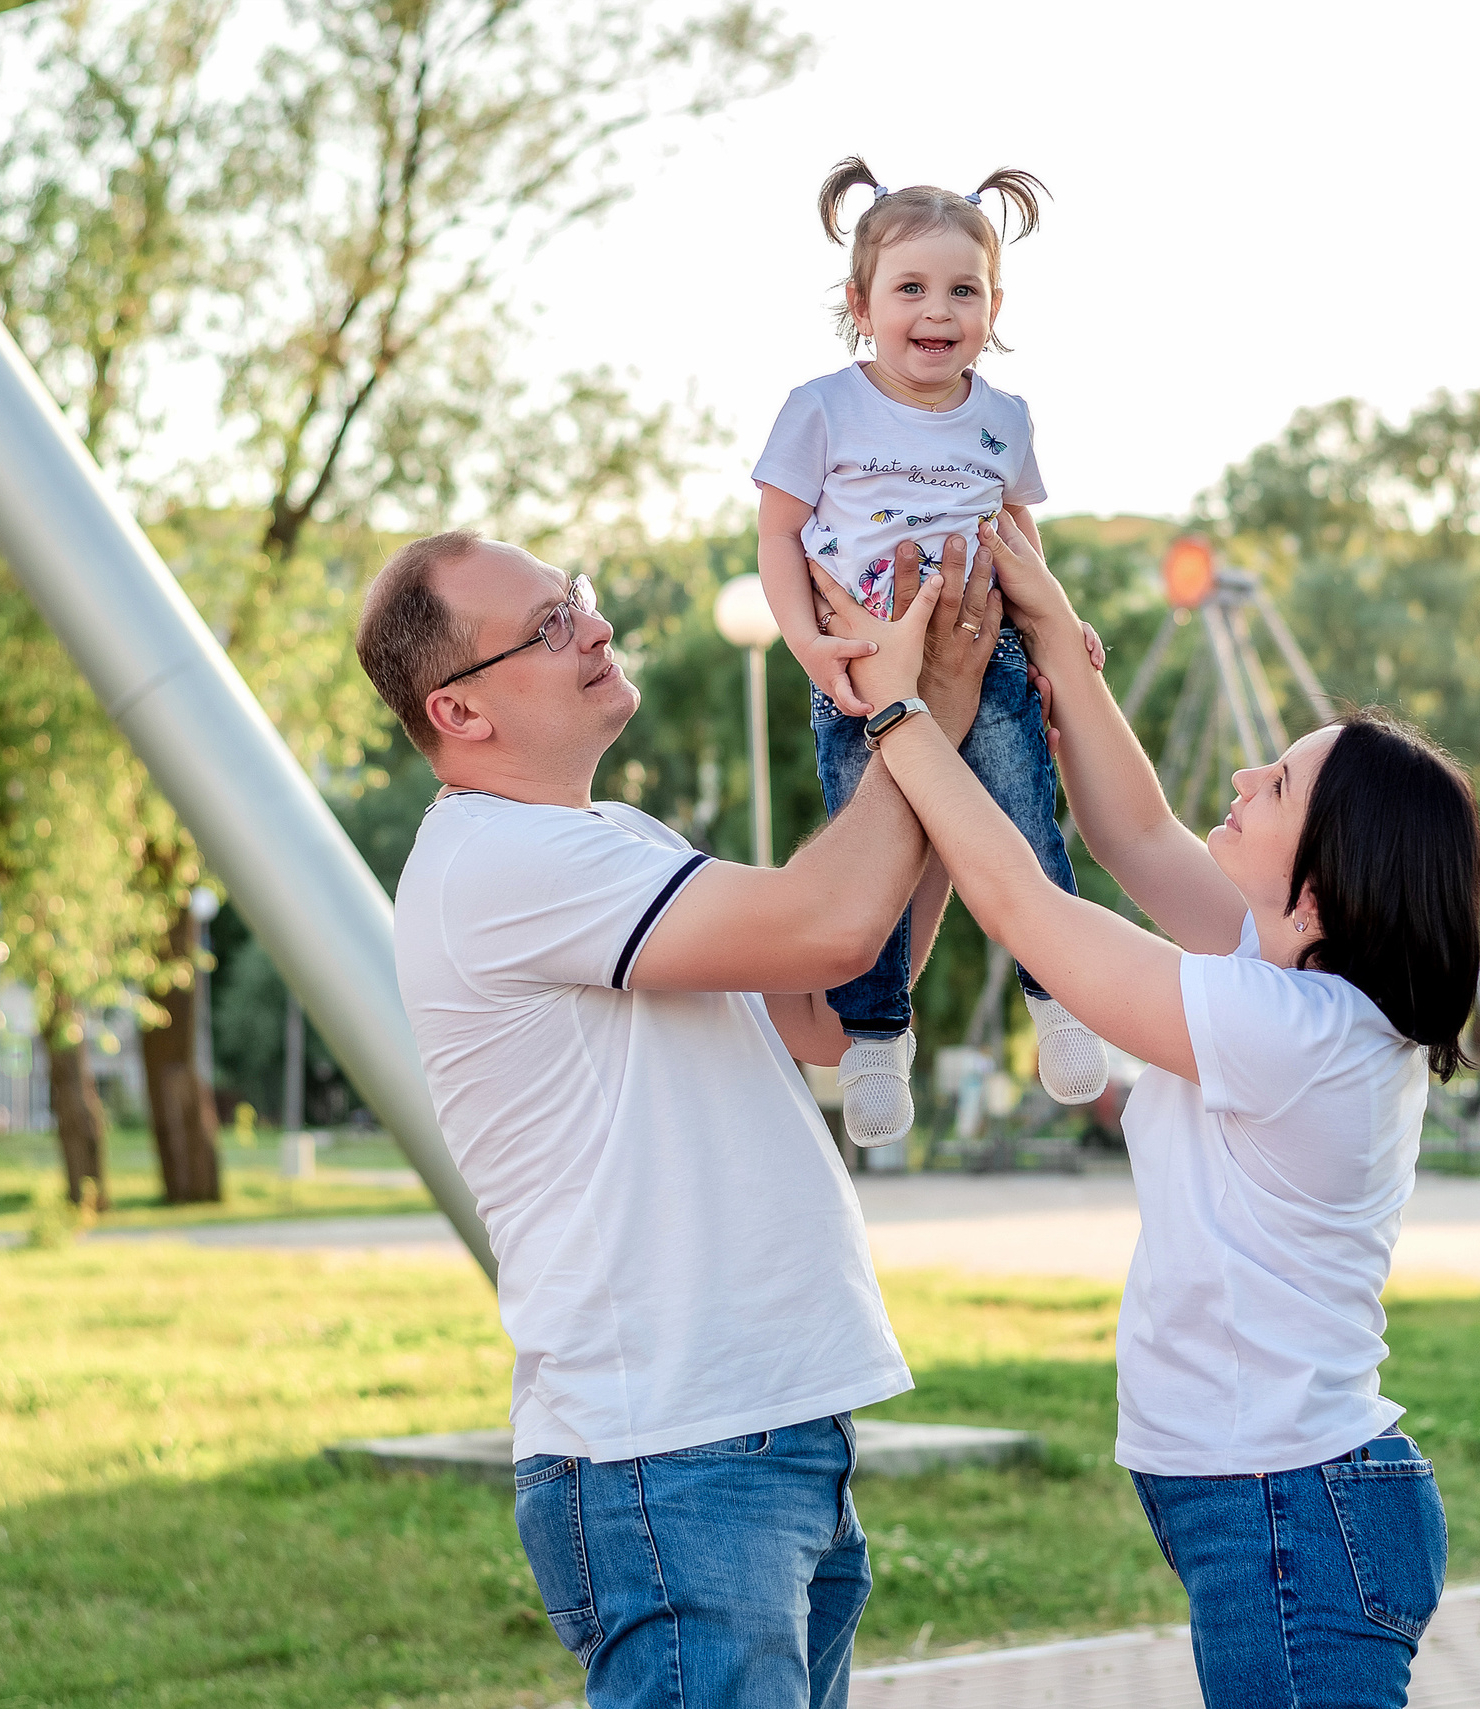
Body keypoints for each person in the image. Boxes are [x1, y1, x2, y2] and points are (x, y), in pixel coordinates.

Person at [812, 516, 1480, 1709]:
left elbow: (1028, 908)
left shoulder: (1294, 1032)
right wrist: (1052, 625)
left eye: (1274, 783)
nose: (1240, 778)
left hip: (1292, 1502)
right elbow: (1132, 831)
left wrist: (900, 716)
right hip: (1277, 1497)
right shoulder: (1283, 979)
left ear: (1325, 877)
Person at [354, 531, 1002, 1709]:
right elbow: (828, 922)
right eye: (548, 626)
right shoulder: (495, 861)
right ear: (459, 709)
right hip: (674, 1447)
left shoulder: (619, 842)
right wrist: (913, 719)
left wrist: (939, 723)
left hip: (762, 1424)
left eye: (578, 600)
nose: (594, 627)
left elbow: (828, 1007)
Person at [750, 155, 1107, 1150]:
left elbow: (1017, 531)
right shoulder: (822, 407)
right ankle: (873, 1036)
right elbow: (778, 536)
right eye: (911, 287)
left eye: (964, 289)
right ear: (861, 303)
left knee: (1026, 823)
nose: (937, 310)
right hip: (865, 667)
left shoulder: (1003, 419)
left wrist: (1055, 620)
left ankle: (1062, 998)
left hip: (984, 659)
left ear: (995, 304)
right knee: (879, 861)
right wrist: (808, 641)